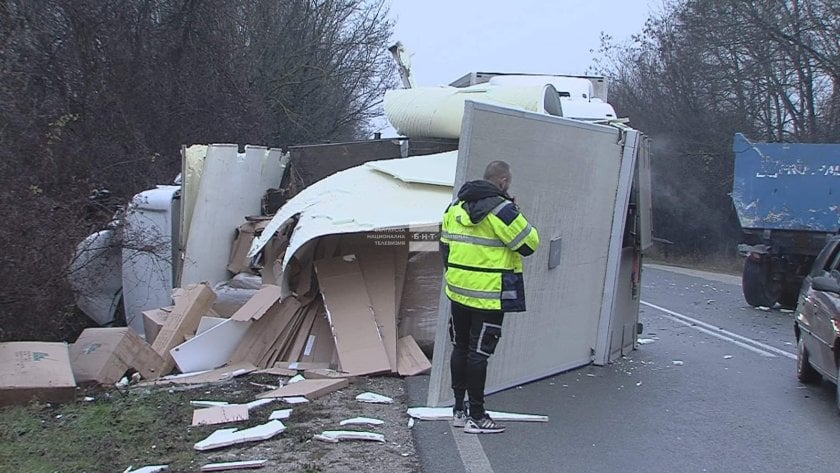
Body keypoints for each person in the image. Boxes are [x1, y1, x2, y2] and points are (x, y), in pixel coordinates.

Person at [440, 160, 540, 434]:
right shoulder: (503, 211)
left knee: (460, 347)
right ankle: (478, 416)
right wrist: (515, 210)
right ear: (504, 182)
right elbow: (529, 244)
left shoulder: (454, 207)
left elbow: (445, 247)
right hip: (489, 295)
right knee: (479, 354)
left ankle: (459, 410)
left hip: (458, 292)